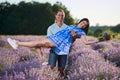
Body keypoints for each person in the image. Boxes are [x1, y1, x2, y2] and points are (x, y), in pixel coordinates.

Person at [7, 18, 99, 76]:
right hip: (55, 37)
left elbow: (85, 42)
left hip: (59, 42)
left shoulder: (81, 32)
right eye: (83, 22)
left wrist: (96, 40)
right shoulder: (71, 26)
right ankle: (41, 60)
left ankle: (17, 43)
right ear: (80, 21)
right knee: (37, 44)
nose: (83, 24)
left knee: (37, 44)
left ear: (85, 27)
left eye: (85, 25)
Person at [47, 9, 71, 77]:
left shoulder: (67, 27)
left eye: (62, 15)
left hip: (63, 51)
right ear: (56, 16)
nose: (60, 16)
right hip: (54, 50)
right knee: (51, 67)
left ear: (64, 17)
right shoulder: (51, 28)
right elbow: (49, 40)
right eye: (59, 15)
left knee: (61, 70)